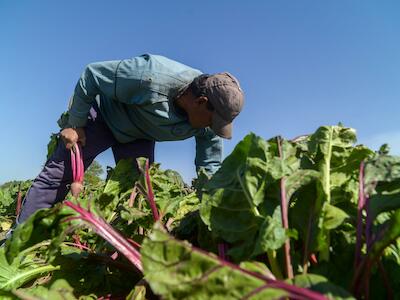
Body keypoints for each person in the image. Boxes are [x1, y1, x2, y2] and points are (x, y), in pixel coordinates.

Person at [16, 53, 244, 224]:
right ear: (201, 102)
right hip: (103, 117)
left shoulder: (206, 125)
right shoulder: (151, 75)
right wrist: (76, 123)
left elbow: (210, 167)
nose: (212, 129)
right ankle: (20, 238)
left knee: (139, 193)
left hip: (139, 136)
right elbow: (92, 74)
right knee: (60, 174)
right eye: (213, 122)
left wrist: (215, 202)